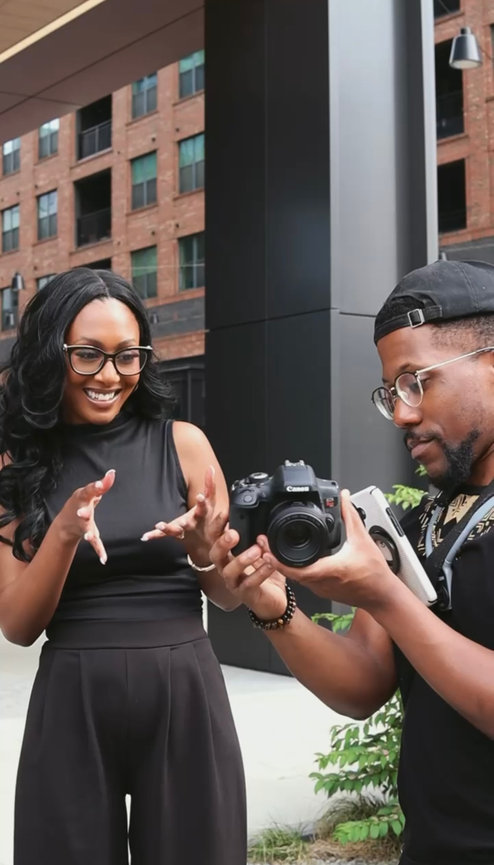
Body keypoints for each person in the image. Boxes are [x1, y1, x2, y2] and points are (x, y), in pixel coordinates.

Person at [210, 258, 494, 865]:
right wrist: (274, 607)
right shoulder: (422, 518)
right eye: (391, 392)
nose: (402, 414)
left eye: (416, 382)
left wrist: (385, 595)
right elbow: (363, 683)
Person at [0, 267, 246, 865]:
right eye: (88, 355)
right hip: (72, 697)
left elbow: (227, 595)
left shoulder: (183, 443)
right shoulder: (15, 461)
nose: (110, 376)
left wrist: (203, 553)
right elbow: (18, 626)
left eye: (127, 356)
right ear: (49, 354)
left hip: (184, 689)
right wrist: (63, 534)